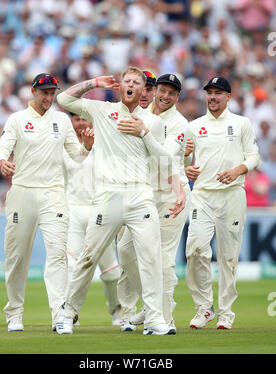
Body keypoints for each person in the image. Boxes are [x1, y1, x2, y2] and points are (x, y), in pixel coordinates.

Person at [56, 66, 184, 335]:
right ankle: (67, 314)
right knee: (88, 257)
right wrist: (93, 82)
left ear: (142, 90)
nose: (131, 85)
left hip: (141, 195)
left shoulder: (153, 122)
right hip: (109, 195)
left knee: (150, 259)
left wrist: (144, 134)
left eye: (137, 83)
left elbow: (163, 160)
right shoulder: (103, 111)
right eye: (127, 81)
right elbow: (64, 100)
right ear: (120, 85)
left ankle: (154, 320)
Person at [0, 73, 94, 332]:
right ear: (33, 92)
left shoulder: (61, 119)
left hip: (53, 193)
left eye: (52, 93)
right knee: (17, 257)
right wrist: (3, 162)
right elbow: (2, 150)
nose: (49, 98)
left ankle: (59, 315)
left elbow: (78, 156)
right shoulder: (17, 119)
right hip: (23, 192)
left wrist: (88, 145)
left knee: (58, 254)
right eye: (44, 93)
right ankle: (14, 313)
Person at [117, 73, 191, 333]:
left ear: (177, 96)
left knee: (163, 258)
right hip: (144, 192)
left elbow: (166, 156)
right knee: (126, 250)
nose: (165, 96)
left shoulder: (180, 124)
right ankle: (153, 306)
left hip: (172, 192)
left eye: (172, 92)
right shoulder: (140, 113)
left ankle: (165, 319)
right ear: (155, 90)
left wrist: (144, 134)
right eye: (162, 90)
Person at [185, 76, 261, 330]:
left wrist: (238, 170)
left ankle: (226, 312)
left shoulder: (241, 123)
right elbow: (184, 161)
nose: (213, 97)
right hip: (202, 195)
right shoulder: (194, 126)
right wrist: (187, 170)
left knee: (228, 257)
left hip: (232, 195)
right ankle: (204, 308)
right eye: (210, 93)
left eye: (218, 93)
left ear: (228, 96)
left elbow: (254, 157)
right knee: (194, 250)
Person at [63, 113, 121, 326]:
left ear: (91, 121)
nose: (81, 123)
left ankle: (117, 313)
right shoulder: (64, 146)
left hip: (99, 210)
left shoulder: (104, 144)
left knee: (111, 271)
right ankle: (70, 313)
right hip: (73, 210)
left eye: (84, 119)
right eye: (76, 119)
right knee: (71, 265)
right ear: (71, 122)